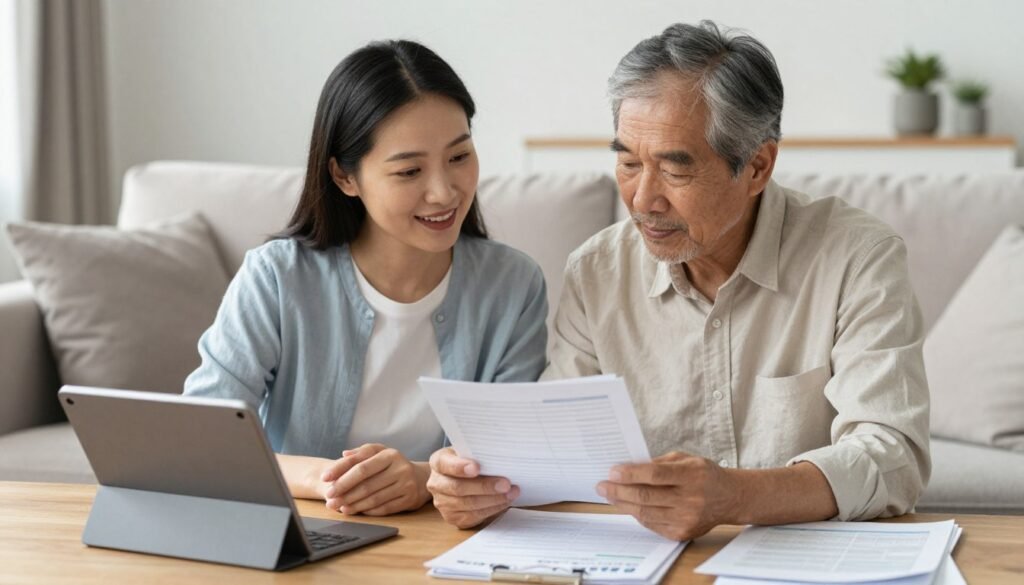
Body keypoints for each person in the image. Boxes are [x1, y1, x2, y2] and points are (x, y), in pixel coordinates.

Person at [426, 21, 930, 539]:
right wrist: (476, 485)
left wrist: (736, 496)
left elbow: (894, 457)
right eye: (626, 161)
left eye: (674, 170)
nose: (643, 200)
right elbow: (559, 453)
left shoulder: (857, 258)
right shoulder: (597, 272)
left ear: (757, 166)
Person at [184, 40, 547, 517]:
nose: (443, 192)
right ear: (344, 177)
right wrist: (328, 479)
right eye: (410, 170)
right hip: (301, 529)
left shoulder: (513, 285)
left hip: (445, 541)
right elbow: (203, 435)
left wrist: (421, 479)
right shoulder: (277, 277)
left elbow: (514, 456)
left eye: (459, 157)